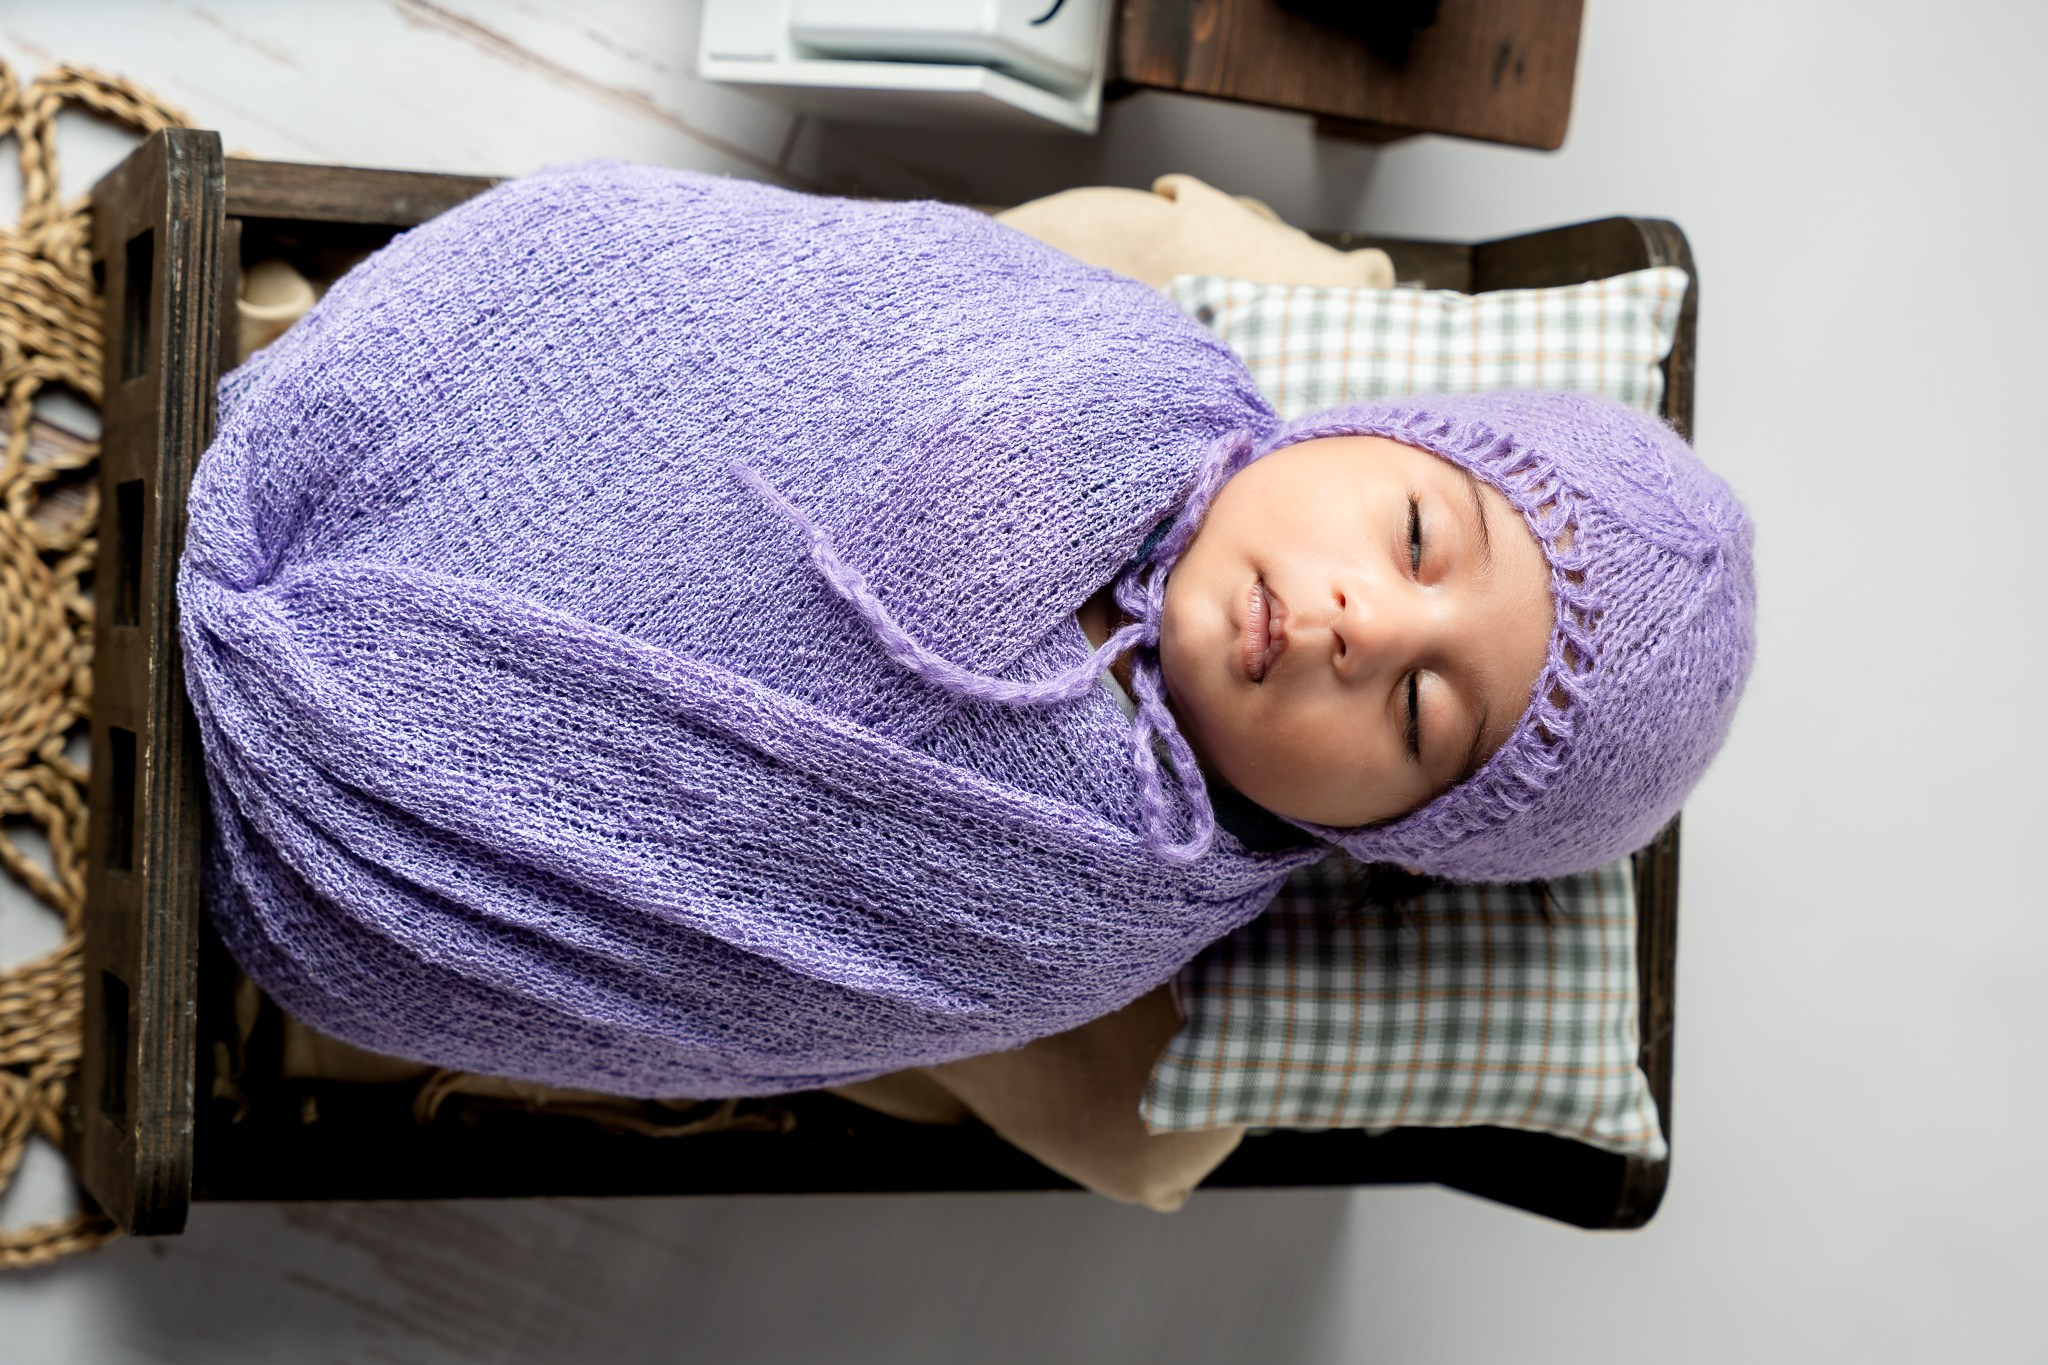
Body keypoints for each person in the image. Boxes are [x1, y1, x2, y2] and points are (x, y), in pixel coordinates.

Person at [177, 161, 1753, 1108]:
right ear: (1374, 434)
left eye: (1418, 714)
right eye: (1413, 536)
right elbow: (764, 302)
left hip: (372, 835)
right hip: (458, 415)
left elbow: (753, 964)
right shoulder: (1121, 364)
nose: (1361, 622)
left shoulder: (1102, 905)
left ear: (1372, 833)